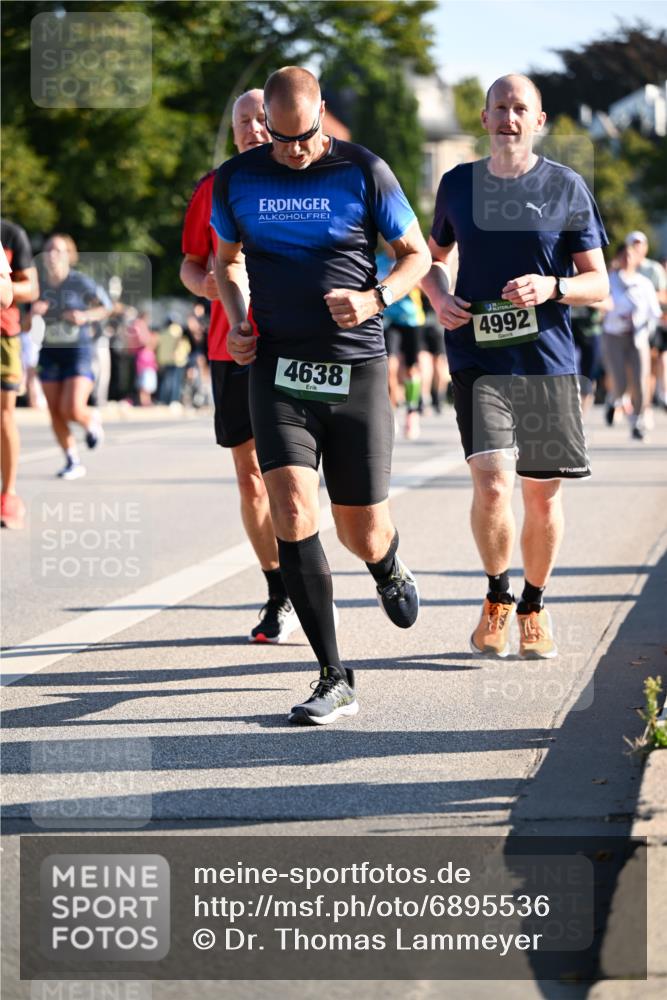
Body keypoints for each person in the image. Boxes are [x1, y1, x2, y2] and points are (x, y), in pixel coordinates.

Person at [212, 66, 431, 724]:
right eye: (278, 139)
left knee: (358, 529)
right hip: (277, 367)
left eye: (301, 138)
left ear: (320, 115)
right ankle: (333, 675)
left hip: (354, 368)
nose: (290, 151)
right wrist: (239, 319)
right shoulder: (239, 178)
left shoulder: (364, 171)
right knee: (291, 511)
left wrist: (374, 296)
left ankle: (386, 563)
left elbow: (415, 255)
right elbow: (224, 261)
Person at [422, 74, 609, 660]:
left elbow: (598, 283)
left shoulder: (566, 186)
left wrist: (553, 285)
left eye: (519, 108)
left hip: (546, 361)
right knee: (493, 481)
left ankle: (534, 602)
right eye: (499, 107)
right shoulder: (457, 185)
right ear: (484, 119)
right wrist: (438, 295)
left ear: (538, 120)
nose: (508, 116)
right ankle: (497, 594)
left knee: (542, 496)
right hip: (478, 358)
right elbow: (428, 260)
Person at [181, 89, 300, 643]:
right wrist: (203, 283)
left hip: (299, 344)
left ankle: (313, 575)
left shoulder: (305, 178)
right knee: (252, 477)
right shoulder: (214, 187)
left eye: (261, 118)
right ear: (233, 133)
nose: (254, 128)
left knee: (298, 478)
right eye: (244, 121)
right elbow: (190, 265)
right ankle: (279, 591)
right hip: (234, 348)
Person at [34, 234, 111, 480]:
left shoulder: (79, 282)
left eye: (58, 250)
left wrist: (85, 316)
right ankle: (72, 460)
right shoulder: (39, 285)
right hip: (49, 352)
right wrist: (32, 314)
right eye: (49, 250)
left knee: (72, 408)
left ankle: (90, 420)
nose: (52, 255)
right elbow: (24, 325)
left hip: (78, 350)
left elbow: (105, 307)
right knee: (55, 411)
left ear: (69, 255)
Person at [602, 242, 661, 441]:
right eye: (624, 255)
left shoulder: (644, 283)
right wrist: (610, 310)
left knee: (640, 380)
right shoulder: (609, 280)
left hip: (639, 337)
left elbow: (655, 312)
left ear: (637, 258)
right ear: (619, 258)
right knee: (619, 380)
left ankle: (637, 421)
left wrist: (646, 328)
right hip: (614, 336)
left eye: (631, 255)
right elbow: (602, 302)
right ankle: (615, 398)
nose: (627, 259)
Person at [1, 219, 39, 529]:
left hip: (4, 334)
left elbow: (31, 288)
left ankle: (9, 495)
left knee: (4, 415)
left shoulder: (11, 234)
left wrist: (4, 285)